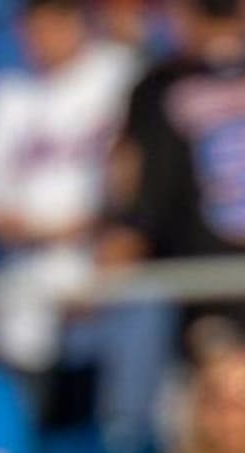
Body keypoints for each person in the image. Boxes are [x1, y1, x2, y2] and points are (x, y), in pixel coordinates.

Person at [0, 0, 140, 378]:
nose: (42, 39)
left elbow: (137, 179)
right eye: (34, 28)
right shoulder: (7, 94)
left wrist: (98, 224)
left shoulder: (119, 73)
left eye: (55, 25)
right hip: (26, 285)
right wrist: (37, 228)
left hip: (107, 275)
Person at [103, 0, 245, 351]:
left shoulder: (158, 84)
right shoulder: (158, 85)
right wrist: (129, 232)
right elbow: (142, 184)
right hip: (199, 280)